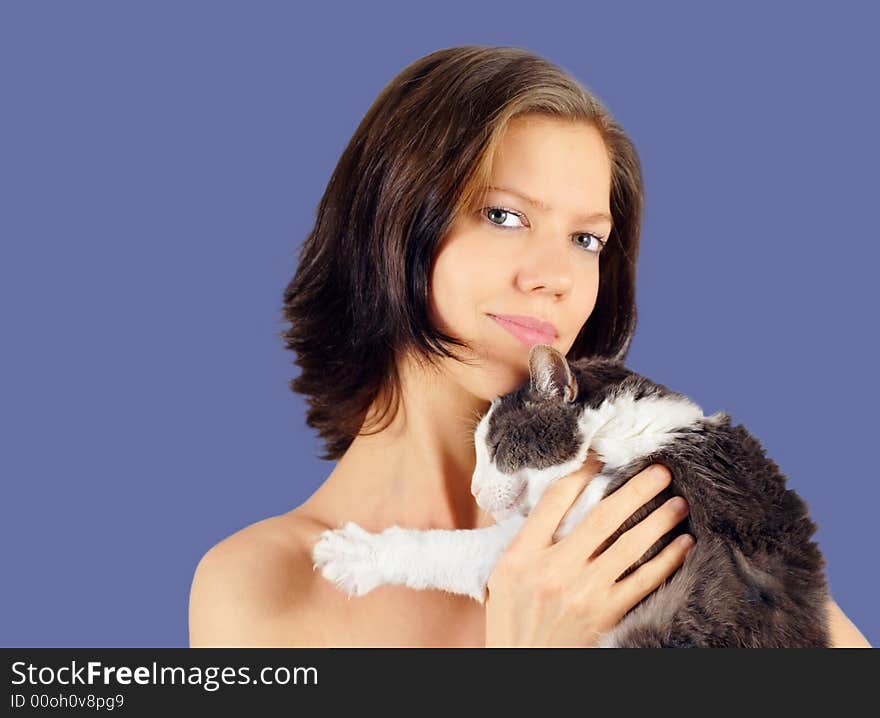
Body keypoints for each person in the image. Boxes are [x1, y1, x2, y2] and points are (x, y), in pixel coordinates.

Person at [188, 45, 871, 648]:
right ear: (389, 222)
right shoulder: (265, 586)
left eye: (586, 240)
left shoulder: (665, 516)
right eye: (504, 216)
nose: (555, 278)